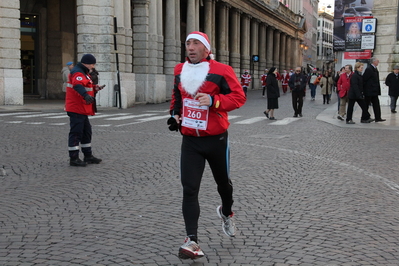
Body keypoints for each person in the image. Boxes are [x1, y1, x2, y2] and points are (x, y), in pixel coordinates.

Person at [168, 31, 246, 260]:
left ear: (205, 48)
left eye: (195, 44)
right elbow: (177, 98)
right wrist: (174, 116)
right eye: (187, 43)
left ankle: (226, 211)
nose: (190, 47)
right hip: (191, 140)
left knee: (224, 184)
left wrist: (215, 101)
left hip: (216, 139)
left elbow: (239, 97)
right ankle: (192, 240)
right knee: (190, 188)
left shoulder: (222, 70)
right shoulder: (178, 70)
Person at [65, 54, 104, 167]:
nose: (93, 66)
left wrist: (95, 88)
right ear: (87, 63)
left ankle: (88, 155)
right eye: (92, 64)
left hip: (81, 108)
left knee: (86, 131)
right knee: (76, 132)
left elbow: (84, 85)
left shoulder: (83, 72)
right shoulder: (78, 72)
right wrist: (86, 95)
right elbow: (77, 85)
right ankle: (74, 158)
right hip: (76, 107)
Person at [363, 57, 386, 122]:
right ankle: (364, 118)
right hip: (369, 91)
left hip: (374, 90)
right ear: (373, 62)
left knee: (376, 104)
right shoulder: (369, 69)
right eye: (377, 60)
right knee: (366, 104)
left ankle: (378, 117)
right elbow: (365, 79)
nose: (378, 61)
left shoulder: (374, 68)